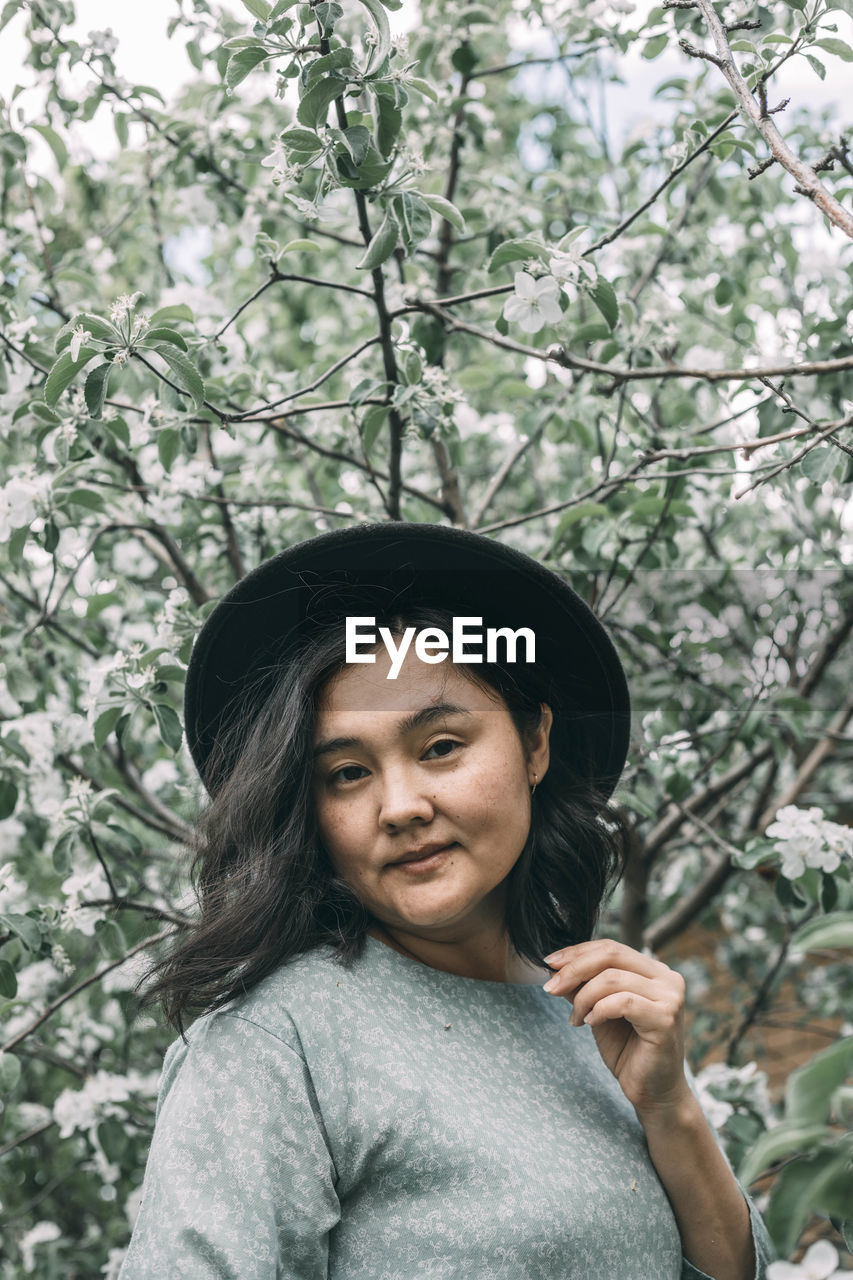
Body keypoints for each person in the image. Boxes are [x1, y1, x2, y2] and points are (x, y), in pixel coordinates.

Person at [120, 522, 774, 1279]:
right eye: (346, 773)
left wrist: (669, 1110)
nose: (400, 806)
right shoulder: (276, 1045)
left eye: (439, 747)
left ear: (534, 744)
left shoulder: (601, 1020)